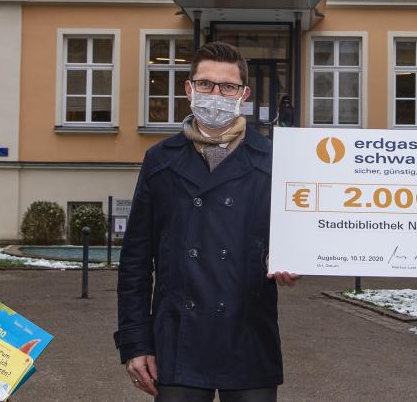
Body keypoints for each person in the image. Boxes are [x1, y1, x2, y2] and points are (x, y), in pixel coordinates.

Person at [115, 42, 299, 402]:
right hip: (178, 339)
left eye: (227, 87)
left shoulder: (275, 161)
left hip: (249, 338)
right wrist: (136, 342)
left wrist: (293, 261)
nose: (216, 94)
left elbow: (293, 238)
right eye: (206, 84)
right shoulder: (160, 161)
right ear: (189, 89)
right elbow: (134, 262)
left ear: (243, 94)